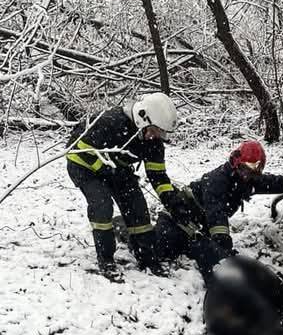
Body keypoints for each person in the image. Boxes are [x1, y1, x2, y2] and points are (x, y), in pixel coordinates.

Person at [153, 140, 283, 278]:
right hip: (176, 219)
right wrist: (223, 241)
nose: (247, 175)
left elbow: (277, 182)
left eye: (253, 172)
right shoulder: (217, 180)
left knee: (204, 253)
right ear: (237, 162)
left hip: (198, 228)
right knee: (161, 250)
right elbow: (216, 214)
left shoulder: (248, 179)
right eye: (245, 169)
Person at [66, 92, 192, 281]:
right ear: (143, 119)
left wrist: (172, 200)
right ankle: (106, 259)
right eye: (156, 130)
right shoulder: (109, 123)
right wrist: (105, 170)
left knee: (138, 208)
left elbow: (157, 176)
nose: (158, 136)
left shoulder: (153, 143)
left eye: (162, 133)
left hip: (117, 169)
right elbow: (76, 152)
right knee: (102, 205)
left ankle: (147, 258)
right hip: (85, 168)